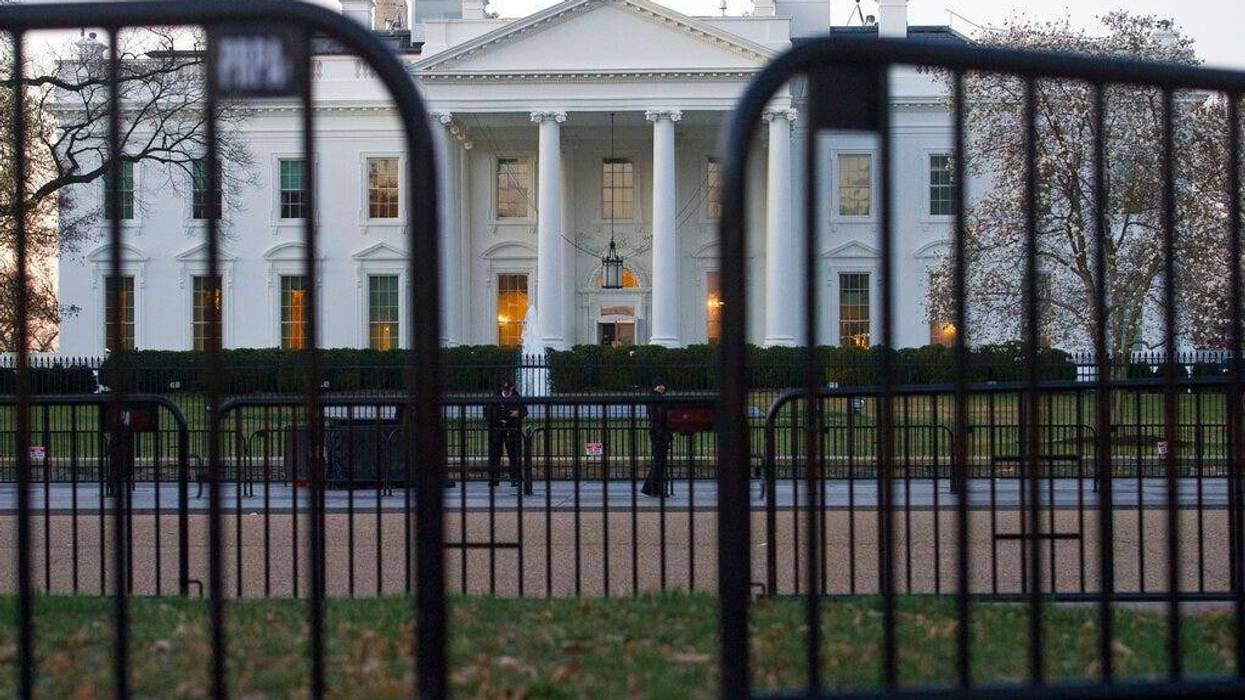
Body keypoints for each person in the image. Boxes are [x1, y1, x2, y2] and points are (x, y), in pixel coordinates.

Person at [487, 378, 527, 487]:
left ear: (512, 387)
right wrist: (495, 419)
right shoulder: (495, 397)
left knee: (513, 454)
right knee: (495, 454)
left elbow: (525, 411)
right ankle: (494, 479)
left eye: (508, 388)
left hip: (512, 429)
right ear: (501, 388)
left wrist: (518, 413)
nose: (506, 390)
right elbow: (487, 411)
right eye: (504, 388)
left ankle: (514, 479)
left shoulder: (517, 397)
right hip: (498, 429)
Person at [641, 379, 672, 497]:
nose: (662, 387)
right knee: (659, 462)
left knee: (659, 462)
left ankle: (651, 488)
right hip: (660, 433)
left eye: (662, 384)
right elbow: (660, 417)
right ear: (655, 387)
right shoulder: (657, 399)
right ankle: (655, 488)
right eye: (659, 385)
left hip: (658, 433)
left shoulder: (655, 398)